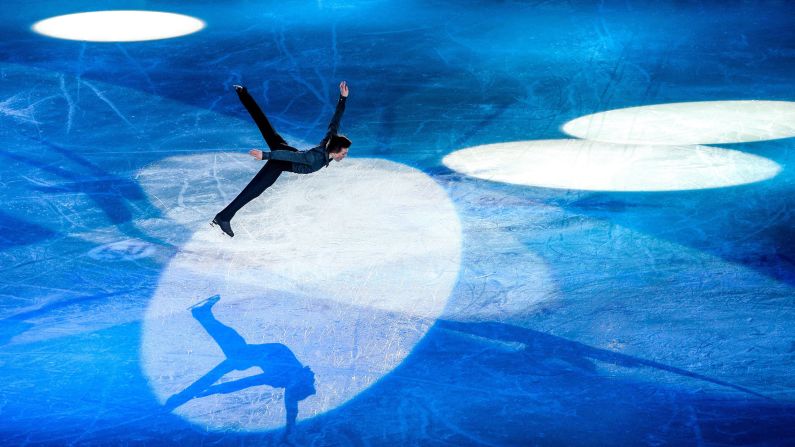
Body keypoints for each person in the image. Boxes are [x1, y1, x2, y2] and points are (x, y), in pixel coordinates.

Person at [212, 81, 351, 237]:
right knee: (254, 189)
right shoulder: (315, 158)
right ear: (336, 150)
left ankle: (242, 93)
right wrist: (266, 156)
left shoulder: (330, 141)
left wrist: (342, 98)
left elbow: (335, 120)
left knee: (265, 125)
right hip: (281, 160)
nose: (344, 156)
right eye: (344, 153)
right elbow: (291, 156)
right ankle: (223, 217)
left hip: (286, 152)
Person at [166, 295, 316, 435]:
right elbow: (246, 382)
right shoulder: (284, 377)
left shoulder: (289, 385)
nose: (287, 395)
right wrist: (216, 389)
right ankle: (202, 314)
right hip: (266, 353)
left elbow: (291, 406)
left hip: (261, 356)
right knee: (235, 353)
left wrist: (290, 430)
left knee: (232, 353)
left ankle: (202, 315)